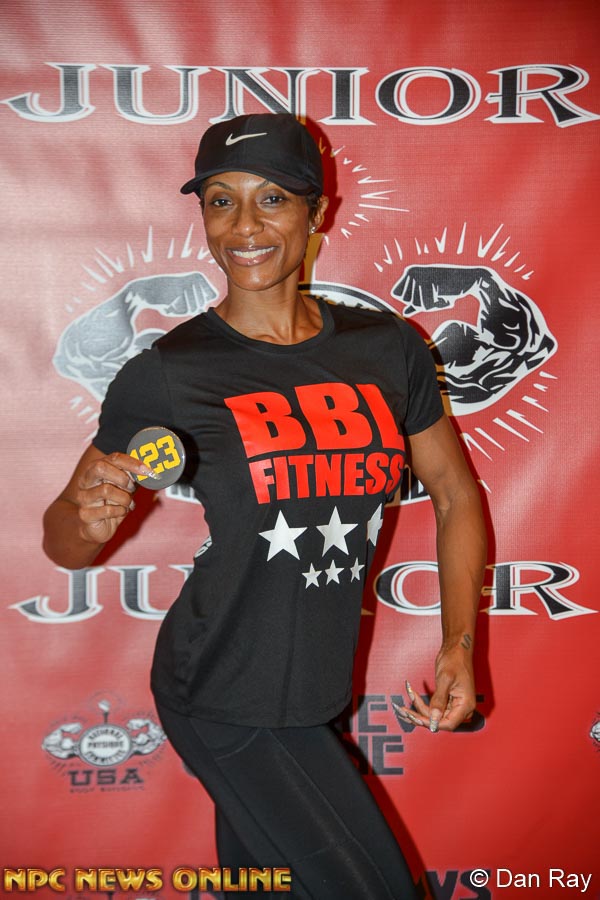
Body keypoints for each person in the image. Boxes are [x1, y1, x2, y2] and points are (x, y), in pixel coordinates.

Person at [43, 113, 487, 899]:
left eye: (272, 198)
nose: (244, 226)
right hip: (223, 686)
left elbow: (454, 494)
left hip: (316, 690)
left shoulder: (387, 349)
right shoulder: (170, 371)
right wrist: (88, 516)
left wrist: (459, 642)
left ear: (318, 212)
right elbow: (65, 543)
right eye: (221, 201)